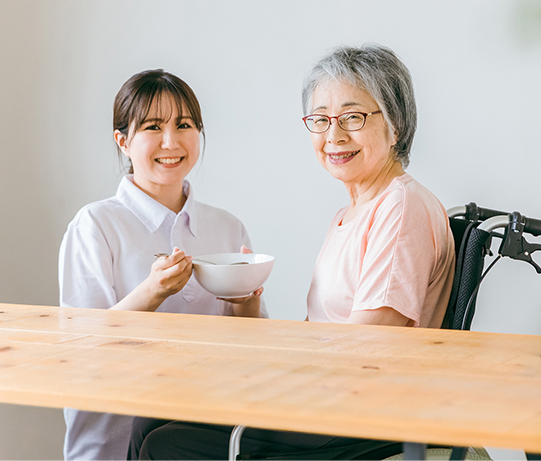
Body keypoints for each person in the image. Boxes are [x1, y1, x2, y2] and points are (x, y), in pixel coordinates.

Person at [129, 44, 455, 460]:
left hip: (362, 413)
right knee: (150, 416)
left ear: (396, 123)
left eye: (353, 117)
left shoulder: (399, 206)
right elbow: (321, 330)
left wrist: (273, 377)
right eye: (320, 120)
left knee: (167, 445)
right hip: (329, 396)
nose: (334, 135)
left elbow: (369, 346)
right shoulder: (352, 212)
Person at [59, 69, 265, 461]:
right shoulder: (95, 225)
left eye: (184, 125)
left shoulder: (227, 227)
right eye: (153, 126)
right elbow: (82, 347)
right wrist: (151, 292)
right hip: (111, 444)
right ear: (123, 141)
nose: (171, 141)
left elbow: (248, 351)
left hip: (199, 441)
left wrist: (246, 300)